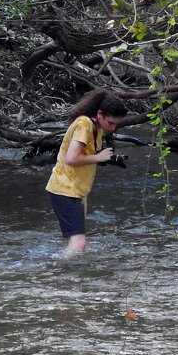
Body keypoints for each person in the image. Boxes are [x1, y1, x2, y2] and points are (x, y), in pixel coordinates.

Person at [45, 92, 128, 257]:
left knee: (75, 243)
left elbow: (86, 155)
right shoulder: (84, 124)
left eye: (116, 125)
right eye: (110, 123)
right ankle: (52, 271)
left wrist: (111, 159)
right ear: (99, 114)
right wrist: (99, 157)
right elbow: (71, 158)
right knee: (78, 245)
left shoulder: (96, 128)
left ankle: (68, 276)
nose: (112, 128)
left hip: (78, 190)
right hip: (65, 189)